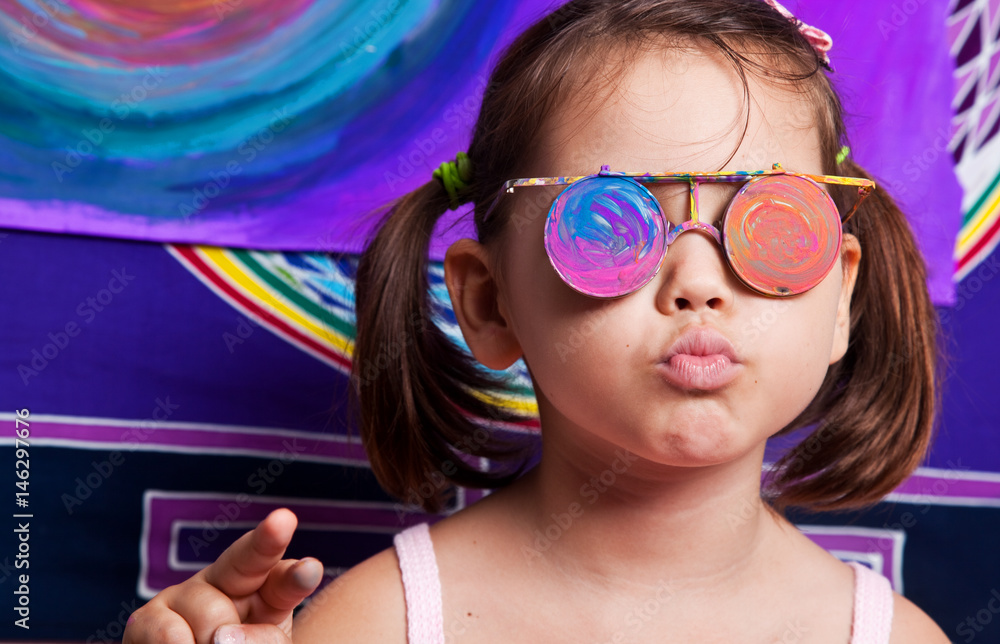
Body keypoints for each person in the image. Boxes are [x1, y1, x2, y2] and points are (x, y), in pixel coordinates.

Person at [124, 0, 950, 642]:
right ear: (488, 302)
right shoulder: (380, 625)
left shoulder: (894, 636)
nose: (699, 284)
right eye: (609, 224)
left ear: (841, 299)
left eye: (772, 225)